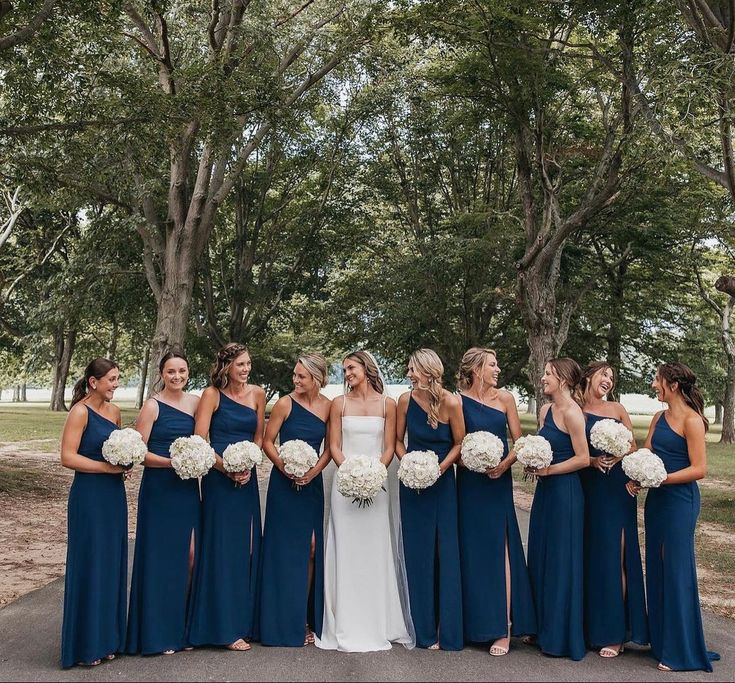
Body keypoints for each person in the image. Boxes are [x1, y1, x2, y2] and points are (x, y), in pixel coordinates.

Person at [316, 350, 415, 652]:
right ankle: (343, 622)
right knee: (344, 549)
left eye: (351, 368)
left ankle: (379, 622)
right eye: (344, 370)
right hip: (344, 487)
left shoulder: (388, 405)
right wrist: (349, 473)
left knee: (375, 549)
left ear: (367, 368)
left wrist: (374, 473)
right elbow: (334, 445)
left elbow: (388, 446)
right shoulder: (338, 404)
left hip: (376, 485)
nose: (347, 374)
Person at [626, 362, 720, 672]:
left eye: (657, 380)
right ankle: (664, 642)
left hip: (681, 501)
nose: (654, 384)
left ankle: (682, 650)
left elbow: (700, 469)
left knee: (676, 567)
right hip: (657, 500)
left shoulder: (693, 421)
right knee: (657, 565)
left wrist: (661, 478)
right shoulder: (658, 417)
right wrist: (638, 474)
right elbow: (648, 451)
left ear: (673, 385)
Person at [456, 347, 535, 655]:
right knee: (472, 551)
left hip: (497, 482)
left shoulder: (505, 399)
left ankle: (503, 626)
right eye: (492, 364)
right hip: (469, 484)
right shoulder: (458, 401)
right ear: (476, 369)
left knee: (500, 548)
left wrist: (504, 465)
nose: (498, 369)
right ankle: (475, 624)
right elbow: (457, 446)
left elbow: (520, 441)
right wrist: (471, 463)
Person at [187, 343, 265, 652]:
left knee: (247, 548)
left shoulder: (258, 394)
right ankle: (222, 627)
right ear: (226, 368)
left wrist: (248, 461)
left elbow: (259, 435)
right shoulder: (212, 395)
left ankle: (244, 621)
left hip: (248, 477)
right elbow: (200, 439)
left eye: (248, 364)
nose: (245, 369)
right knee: (221, 549)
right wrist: (226, 468)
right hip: (219, 479)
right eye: (240, 365)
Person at [126, 351, 201, 656]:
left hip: (187, 489)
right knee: (161, 559)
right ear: (161, 373)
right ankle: (158, 634)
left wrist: (196, 460)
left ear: (188, 372)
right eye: (171, 371)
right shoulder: (152, 406)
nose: (177, 376)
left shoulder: (196, 403)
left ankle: (183, 627)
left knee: (191, 555)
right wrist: (174, 462)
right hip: (160, 489)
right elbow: (139, 453)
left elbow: (203, 441)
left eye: (182, 371)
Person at [260, 353, 331, 647]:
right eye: (294, 375)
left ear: (316, 377)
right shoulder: (284, 404)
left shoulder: (329, 407)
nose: (296, 380)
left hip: (311, 485)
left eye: (301, 376)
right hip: (284, 485)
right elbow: (267, 441)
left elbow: (330, 448)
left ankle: (304, 614)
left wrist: (313, 472)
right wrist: (284, 466)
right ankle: (285, 620)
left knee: (312, 548)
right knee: (284, 551)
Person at [60, 358, 127, 668]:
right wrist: (106, 468)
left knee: (111, 563)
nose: (115, 384)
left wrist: (125, 465)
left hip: (114, 496)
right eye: (111, 379)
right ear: (93, 382)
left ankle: (107, 639)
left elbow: (120, 448)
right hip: (88, 496)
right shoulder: (79, 412)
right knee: (91, 562)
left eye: (117, 379)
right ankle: (86, 645)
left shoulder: (114, 413)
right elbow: (67, 457)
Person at [396, 348, 464, 651]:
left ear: (427, 371)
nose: (409, 375)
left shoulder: (451, 402)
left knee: (444, 551)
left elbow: (460, 443)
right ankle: (422, 629)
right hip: (412, 484)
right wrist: (408, 463)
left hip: (442, 483)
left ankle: (446, 627)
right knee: (418, 553)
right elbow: (398, 441)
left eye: (413, 370)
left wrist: (439, 468)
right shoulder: (405, 400)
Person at [579, 361, 647, 657]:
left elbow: (633, 445)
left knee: (615, 555)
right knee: (589, 556)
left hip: (616, 489)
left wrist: (618, 455)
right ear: (589, 376)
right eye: (603, 374)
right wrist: (592, 461)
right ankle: (587, 627)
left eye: (611, 377)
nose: (608, 380)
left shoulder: (618, 409)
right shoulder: (575, 408)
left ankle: (615, 632)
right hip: (587, 486)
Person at [526, 358, 589, 661]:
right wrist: (533, 462)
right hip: (545, 494)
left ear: (563, 379)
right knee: (541, 554)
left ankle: (560, 636)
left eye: (548, 373)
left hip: (566, 493)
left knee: (562, 561)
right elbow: (543, 445)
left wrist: (550, 470)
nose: (543, 377)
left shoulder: (574, 414)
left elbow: (583, 458)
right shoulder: (544, 410)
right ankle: (540, 628)